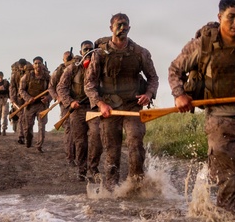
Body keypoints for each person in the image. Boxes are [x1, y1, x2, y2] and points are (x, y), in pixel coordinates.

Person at [168, 0, 235, 214]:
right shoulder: (203, 44)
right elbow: (175, 69)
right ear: (220, 17)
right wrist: (179, 94)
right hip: (219, 119)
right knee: (230, 180)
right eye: (232, 17)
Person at [84, 13, 159, 187]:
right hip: (109, 108)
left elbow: (153, 77)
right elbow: (89, 83)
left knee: (135, 143)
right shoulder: (100, 54)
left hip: (133, 106)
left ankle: (136, 185)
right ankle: (111, 188)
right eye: (118, 25)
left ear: (129, 28)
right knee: (112, 149)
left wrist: (148, 94)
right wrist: (100, 104)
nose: (122, 28)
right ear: (111, 28)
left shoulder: (140, 52)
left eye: (125, 25)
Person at [57, 40, 101, 181]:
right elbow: (61, 88)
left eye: (90, 49)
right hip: (77, 110)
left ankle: (93, 168)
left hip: (94, 108)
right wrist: (70, 102)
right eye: (85, 49)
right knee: (80, 142)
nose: (88, 52)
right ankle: (82, 169)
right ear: (81, 52)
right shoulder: (72, 69)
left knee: (96, 136)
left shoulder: (100, 67)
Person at [19, 56, 52, 151]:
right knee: (28, 126)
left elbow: (52, 90)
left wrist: (48, 98)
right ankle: (28, 140)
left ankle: (39, 145)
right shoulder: (27, 77)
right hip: (30, 105)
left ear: (42, 65)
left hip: (42, 105)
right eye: (36, 63)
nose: (38, 65)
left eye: (39, 63)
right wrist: (28, 98)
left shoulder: (47, 77)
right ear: (33, 65)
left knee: (42, 126)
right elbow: (21, 90)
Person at [50, 50, 76, 164]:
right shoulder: (59, 70)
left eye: (70, 58)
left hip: (78, 102)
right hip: (65, 103)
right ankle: (70, 156)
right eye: (67, 58)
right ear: (63, 60)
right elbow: (51, 87)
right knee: (69, 128)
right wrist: (57, 97)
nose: (69, 60)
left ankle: (78, 156)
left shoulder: (77, 66)